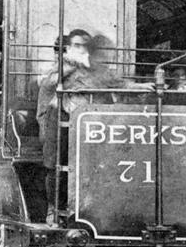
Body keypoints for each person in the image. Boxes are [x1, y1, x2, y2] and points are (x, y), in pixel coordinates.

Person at [37, 29, 127, 221]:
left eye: (85, 45)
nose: (82, 49)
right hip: (59, 122)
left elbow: (113, 83)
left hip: (89, 125)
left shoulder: (94, 68)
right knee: (56, 164)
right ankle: (54, 209)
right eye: (77, 45)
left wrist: (141, 86)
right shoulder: (61, 67)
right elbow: (48, 84)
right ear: (68, 48)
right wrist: (73, 66)